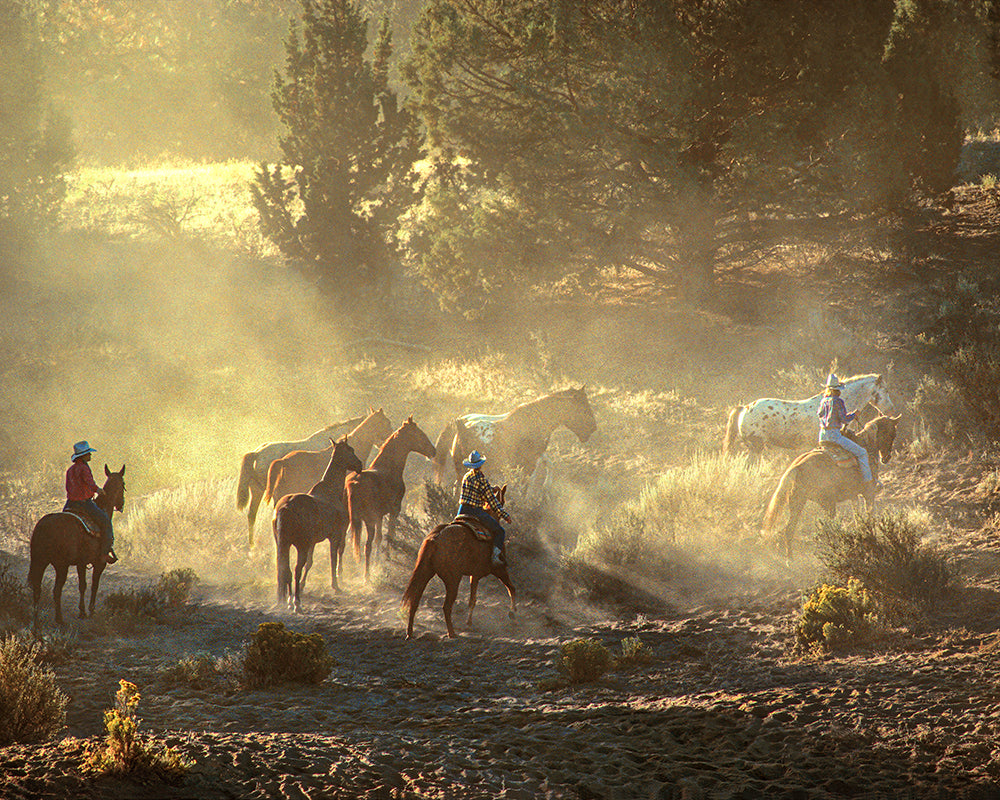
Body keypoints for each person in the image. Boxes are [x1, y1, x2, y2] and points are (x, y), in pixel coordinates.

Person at [817, 374, 876, 494]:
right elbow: (844, 419)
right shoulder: (838, 401)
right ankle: (868, 483)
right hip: (834, 436)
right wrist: (854, 415)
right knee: (862, 453)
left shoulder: (823, 401)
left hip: (822, 436)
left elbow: (820, 414)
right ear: (837, 390)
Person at [64, 440, 117, 565]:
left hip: (70, 504)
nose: (90, 455)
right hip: (83, 504)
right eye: (88, 453)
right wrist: (98, 490)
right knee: (105, 521)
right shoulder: (84, 468)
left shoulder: (70, 470)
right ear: (83, 456)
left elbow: (68, 487)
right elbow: (89, 482)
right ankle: (104, 554)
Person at [457, 450, 511, 566]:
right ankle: (495, 557)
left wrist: (491, 488)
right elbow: (492, 501)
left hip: (462, 510)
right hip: (475, 511)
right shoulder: (481, 479)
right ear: (480, 465)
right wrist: (505, 515)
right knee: (500, 531)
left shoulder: (466, 477)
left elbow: (477, 489)